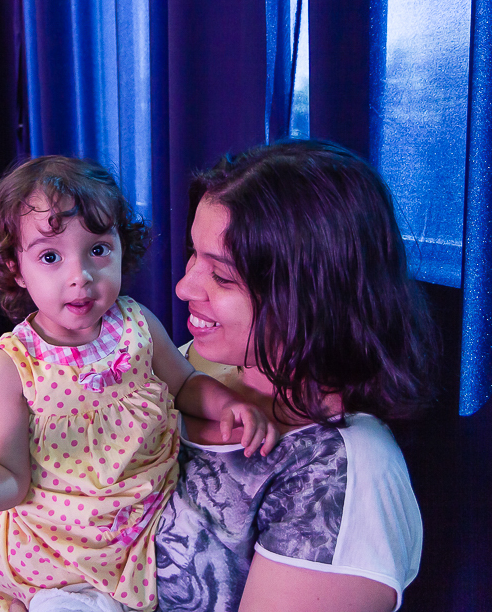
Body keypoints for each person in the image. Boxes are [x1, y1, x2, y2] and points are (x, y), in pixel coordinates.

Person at [0, 156, 274, 612]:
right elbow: (7, 478)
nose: (79, 275)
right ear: (16, 268)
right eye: (50, 256)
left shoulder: (136, 324)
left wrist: (225, 404)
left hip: (135, 534)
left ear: (122, 245)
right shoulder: (13, 365)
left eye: (98, 249)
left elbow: (185, 384)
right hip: (56, 559)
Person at [153, 139, 437, 612]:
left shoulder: (345, 474)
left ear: (309, 294)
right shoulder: (186, 365)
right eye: (192, 255)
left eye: (222, 277)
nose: (183, 287)